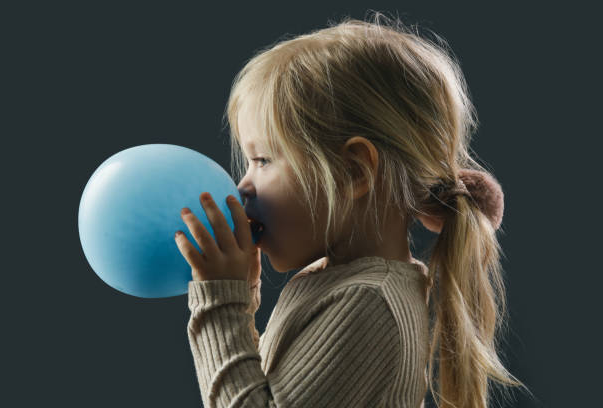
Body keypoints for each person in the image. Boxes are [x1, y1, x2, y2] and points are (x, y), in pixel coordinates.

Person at [185, 12, 530, 408]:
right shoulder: (339, 282)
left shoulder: (370, 301)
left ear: (353, 172)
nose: (244, 186)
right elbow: (272, 391)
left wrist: (220, 302)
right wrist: (241, 299)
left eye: (262, 160)